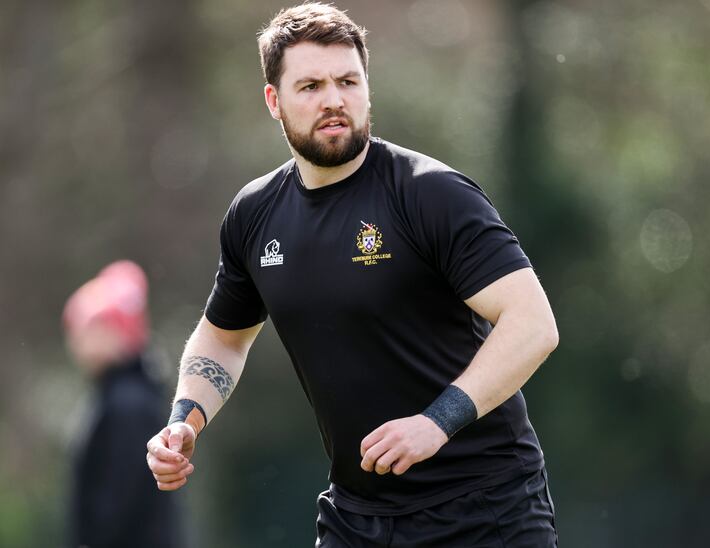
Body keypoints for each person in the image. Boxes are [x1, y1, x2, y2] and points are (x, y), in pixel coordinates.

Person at [146, 3, 559, 546]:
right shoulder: (254, 215)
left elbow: (532, 323)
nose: (334, 100)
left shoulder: (430, 193)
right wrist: (185, 419)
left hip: (484, 509)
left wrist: (437, 421)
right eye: (311, 85)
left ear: (368, 88)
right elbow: (224, 339)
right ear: (274, 101)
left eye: (348, 81)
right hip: (356, 518)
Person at [64, 260, 184, 548]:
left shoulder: (128, 403)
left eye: (86, 329)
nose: (76, 341)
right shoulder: (124, 395)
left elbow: (119, 499)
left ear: (115, 332)